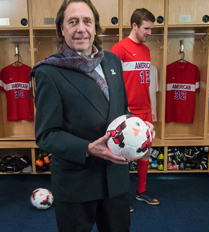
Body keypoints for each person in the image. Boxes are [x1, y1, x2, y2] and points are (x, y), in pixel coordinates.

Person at [30, 0, 154, 231]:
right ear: (62, 28)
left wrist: (139, 126)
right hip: (76, 183)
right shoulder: (49, 72)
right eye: (73, 21)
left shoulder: (112, 61)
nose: (81, 28)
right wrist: (88, 148)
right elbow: (46, 135)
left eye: (87, 21)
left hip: (115, 180)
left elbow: (121, 111)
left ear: (95, 27)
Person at [111, 8, 159, 211]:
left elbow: (146, 83)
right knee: (123, 155)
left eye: (151, 29)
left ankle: (141, 191)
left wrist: (152, 108)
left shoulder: (146, 50)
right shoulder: (118, 49)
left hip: (145, 109)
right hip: (127, 112)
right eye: (146, 28)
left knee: (145, 151)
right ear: (135, 26)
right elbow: (113, 85)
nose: (150, 33)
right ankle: (120, 196)